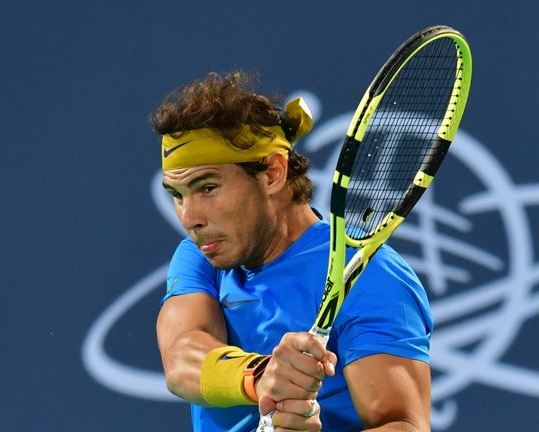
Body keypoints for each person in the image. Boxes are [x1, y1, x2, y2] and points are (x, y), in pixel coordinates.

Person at [153, 71, 433, 431]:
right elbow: (180, 361)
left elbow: (404, 425)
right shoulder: (201, 255)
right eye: (177, 195)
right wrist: (261, 375)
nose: (190, 218)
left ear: (272, 173)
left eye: (207, 187)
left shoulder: (370, 274)